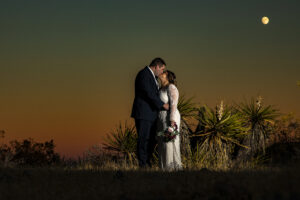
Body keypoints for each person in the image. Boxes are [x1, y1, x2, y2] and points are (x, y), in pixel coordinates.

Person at [131, 57, 169, 168]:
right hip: (144, 113)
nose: (162, 72)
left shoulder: (152, 77)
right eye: (162, 69)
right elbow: (149, 93)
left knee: (151, 139)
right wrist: (162, 104)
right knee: (143, 139)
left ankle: (147, 162)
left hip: (151, 114)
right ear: (156, 66)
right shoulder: (144, 74)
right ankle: (143, 164)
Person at [157, 70, 182, 171]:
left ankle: (171, 169)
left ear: (167, 77)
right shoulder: (160, 88)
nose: (161, 74)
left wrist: (172, 120)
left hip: (170, 117)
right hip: (161, 117)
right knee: (162, 143)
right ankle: (163, 169)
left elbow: (174, 104)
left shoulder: (171, 87)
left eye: (163, 73)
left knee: (169, 142)